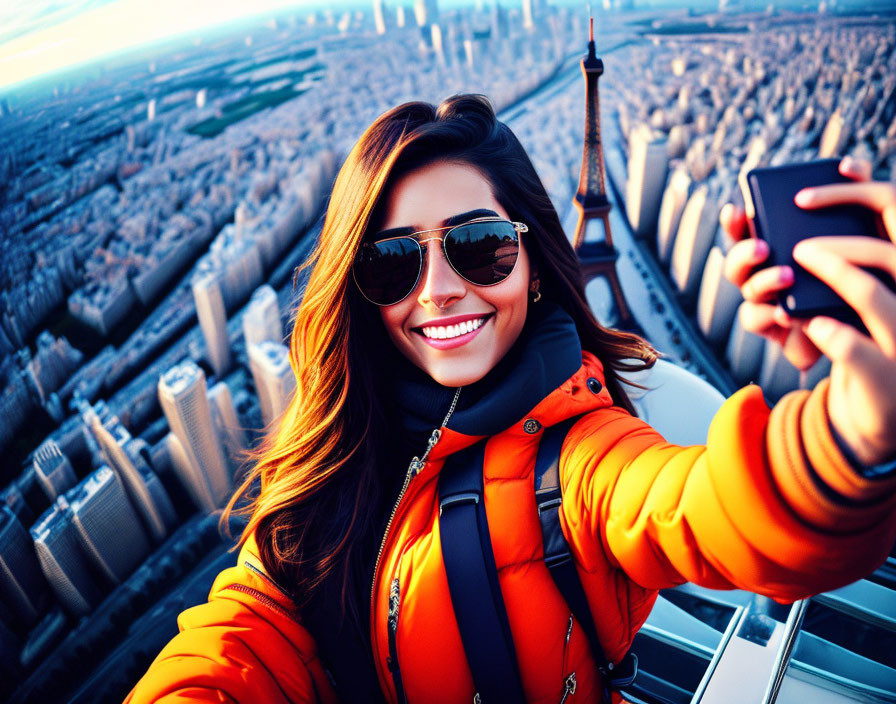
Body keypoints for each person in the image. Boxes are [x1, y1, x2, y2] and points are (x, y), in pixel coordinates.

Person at [126, 94, 896, 704]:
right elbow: (238, 645)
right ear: (361, 294)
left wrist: (847, 442)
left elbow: (695, 504)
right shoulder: (328, 464)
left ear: (532, 257)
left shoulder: (582, 459)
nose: (437, 290)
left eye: (479, 245)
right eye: (394, 262)